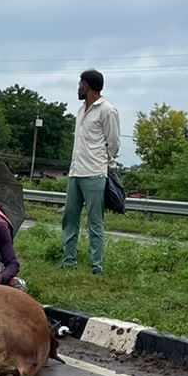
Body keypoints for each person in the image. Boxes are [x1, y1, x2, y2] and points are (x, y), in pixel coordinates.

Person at [62, 69, 120, 274]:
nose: (78, 88)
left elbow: (113, 142)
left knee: (95, 220)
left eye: (80, 84)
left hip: (94, 171)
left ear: (87, 86)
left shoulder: (107, 110)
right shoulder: (80, 110)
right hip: (75, 170)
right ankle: (69, 261)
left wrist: (104, 161)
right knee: (70, 218)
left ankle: (97, 265)